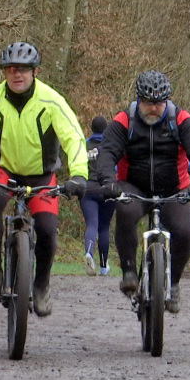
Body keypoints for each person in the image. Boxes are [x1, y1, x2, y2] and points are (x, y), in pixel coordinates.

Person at [0, 42, 88, 317]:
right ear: (4, 72)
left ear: (35, 71)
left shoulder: (51, 100)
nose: (17, 75)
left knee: (48, 230)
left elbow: (73, 137)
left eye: (24, 70)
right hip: (2, 169)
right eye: (11, 69)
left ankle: (40, 286)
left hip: (41, 175)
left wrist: (78, 175)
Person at [95, 70, 190, 314]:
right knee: (125, 211)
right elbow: (107, 152)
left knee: (184, 231)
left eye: (159, 102)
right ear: (139, 100)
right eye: (148, 102)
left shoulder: (180, 119)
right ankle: (128, 271)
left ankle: (174, 283)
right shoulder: (124, 120)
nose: (153, 108)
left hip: (173, 188)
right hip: (133, 185)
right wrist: (108, 181)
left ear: (166, 101)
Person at [80, 115, 116, 277]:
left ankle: (88, 253)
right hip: (107, 189)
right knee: (104, 227)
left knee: (91, 225)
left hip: (88, 189)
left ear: (92, 128)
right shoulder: (110, 146)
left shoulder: (84, 145)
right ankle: (103, 266)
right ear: (106, 129)